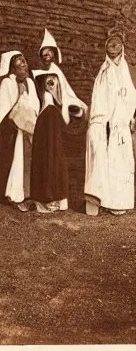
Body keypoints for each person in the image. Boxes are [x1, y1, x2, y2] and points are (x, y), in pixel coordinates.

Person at [84, 31, 136, 216]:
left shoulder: (129, 71)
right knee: (100, 161)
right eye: (110, 44)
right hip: (103, 124)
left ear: (122, 47)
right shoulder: (103, 72)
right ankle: (98, 199)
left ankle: (118, 201)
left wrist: (132, 118)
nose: (113, 47)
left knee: (119, 162)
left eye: (117, 44)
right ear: (106, 48)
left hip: (121, 126)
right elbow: (98, 99)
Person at [0, 51, 40, 211]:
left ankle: (26, 194)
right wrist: (17, 117)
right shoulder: (7, 83)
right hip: (11, 129)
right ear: (12, 69)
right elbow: (4, 107)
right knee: (13, 160)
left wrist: (29, 116)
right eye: (19, 64)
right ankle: (11, 195)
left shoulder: (31, 83)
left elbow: (35, 103)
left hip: (27, 127)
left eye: (24, 63)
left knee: (28, 161)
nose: (23, 67)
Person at [30, 71, 70, 213]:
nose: (54, 87)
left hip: (52, 143)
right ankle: (49, 198)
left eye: (54, 83)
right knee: (50, 163)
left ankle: (51, 198)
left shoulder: (51, 108)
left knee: (51, 163)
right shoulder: (49, 108)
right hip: (49, 143)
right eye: (50, 83)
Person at [39, 29, 88, 115]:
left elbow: (65, 90)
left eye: (49, 54)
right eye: (44, 55)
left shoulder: (55, 70)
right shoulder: (39, 69)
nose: (47, 58)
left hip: (59, 99)